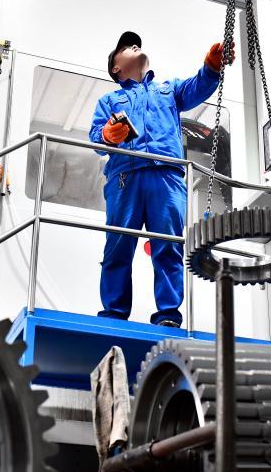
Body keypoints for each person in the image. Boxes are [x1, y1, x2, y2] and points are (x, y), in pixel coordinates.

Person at [90, 31, 233, 328]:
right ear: (116, 68)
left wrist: (211, 67)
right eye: (126, 46)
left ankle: (168, 314)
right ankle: (114, 314)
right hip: (125, 178)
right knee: (117, 248)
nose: (134, 45)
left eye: (136, 44)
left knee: (168, 248)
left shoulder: (169, 90)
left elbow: (197, 88)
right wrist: (107, 135)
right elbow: (96, 139)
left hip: (166, 177)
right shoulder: (109, 100)